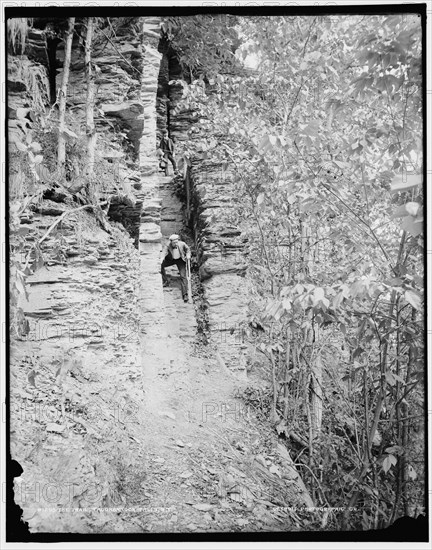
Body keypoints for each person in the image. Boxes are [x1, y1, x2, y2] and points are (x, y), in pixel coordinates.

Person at [161, 234, 191, 302]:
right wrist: (161, 259)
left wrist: (188, 255)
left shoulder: (182, 244)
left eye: (177, 242)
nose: (176, 243)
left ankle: (185, 294)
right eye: (174, 242)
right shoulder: (168, 245)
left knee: (183, 276)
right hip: (171, 259)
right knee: (161, 265)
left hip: (180, 260)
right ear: (171, 242)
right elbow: (164, 251)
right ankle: (165, 281)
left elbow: (188, 249)